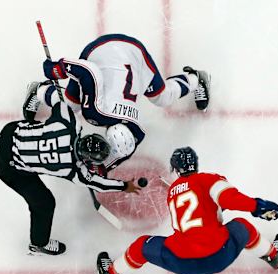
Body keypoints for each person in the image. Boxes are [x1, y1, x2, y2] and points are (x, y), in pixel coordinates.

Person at [95, 147, 278, 274]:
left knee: (141, 246)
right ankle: (274, 258)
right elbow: (228, 199)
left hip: (181, 260)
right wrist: (257, 206)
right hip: (219, 255)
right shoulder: (208, 179)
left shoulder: (172, 191)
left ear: (176, 170)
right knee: (242, 226)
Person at [24, 33, 211, 171]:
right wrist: (58, 69)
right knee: (71, 106)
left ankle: (196, 79)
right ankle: (38, 90)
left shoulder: (136, 132)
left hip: (135, 55)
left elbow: (122, 152)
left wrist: (102, 169)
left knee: (162, 96)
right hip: (100, 51)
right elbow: (88, 71)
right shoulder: (97, 112)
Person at [0, 100, 140, 256]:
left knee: (40, 131)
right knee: (45, 203)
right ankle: (38, 244)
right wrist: (125, 186)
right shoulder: (74, 171)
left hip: (10, 132)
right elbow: (100, 184)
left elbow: (60, 101)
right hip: (8, 168)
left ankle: (34, 97)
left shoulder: (68, 123)